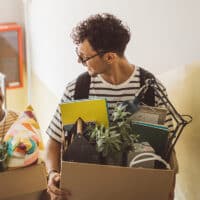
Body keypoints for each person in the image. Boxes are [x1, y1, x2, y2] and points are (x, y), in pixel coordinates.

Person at [45, 13, 175, 200]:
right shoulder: (77, 89)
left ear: (110, 57)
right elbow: (54, 141)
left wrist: (167, 189)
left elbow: (167, 148)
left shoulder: (151, 88)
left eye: (84, 58)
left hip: (137, 192)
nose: (79, 62)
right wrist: (52, 173)